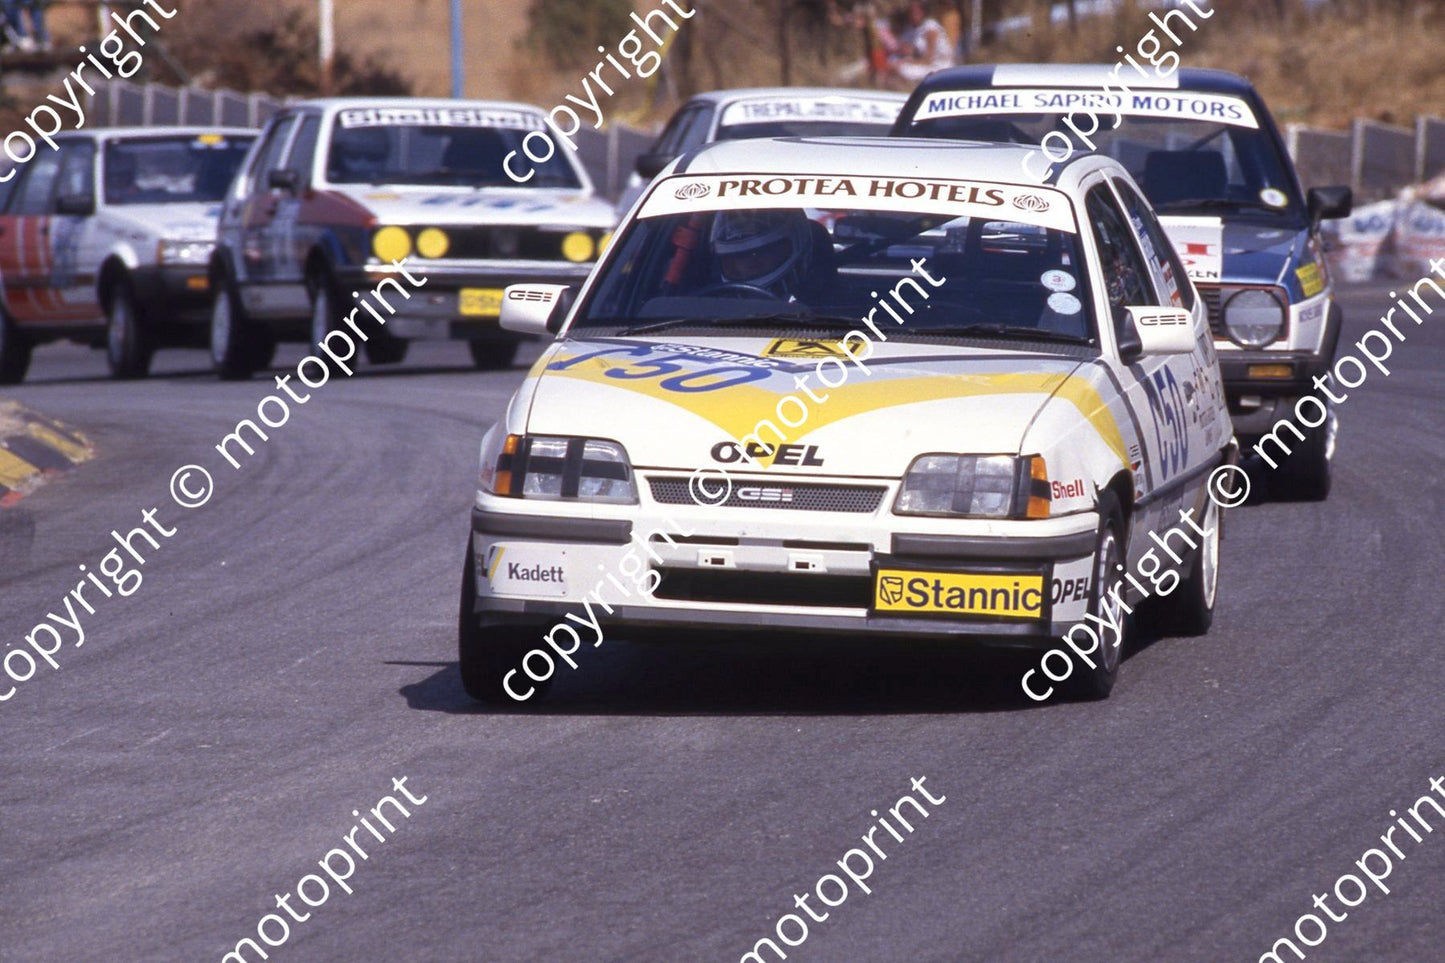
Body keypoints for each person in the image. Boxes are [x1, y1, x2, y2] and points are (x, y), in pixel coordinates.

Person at [707, 209, 819, 302]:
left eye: (759, 254)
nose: (747, 265)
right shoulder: (708, 308)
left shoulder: (823, 311)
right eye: (737, 257)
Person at [892, 1, 954, 85]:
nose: (913, 15)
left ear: (923, 12)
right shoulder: (911, 29)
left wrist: (906, 62)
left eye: (916, 12)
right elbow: (906, 49)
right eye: (911, 12)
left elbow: (928, 59)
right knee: (893, 60)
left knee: (903, 69)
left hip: (938, 66)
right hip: (922, 63)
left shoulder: (930, 27)